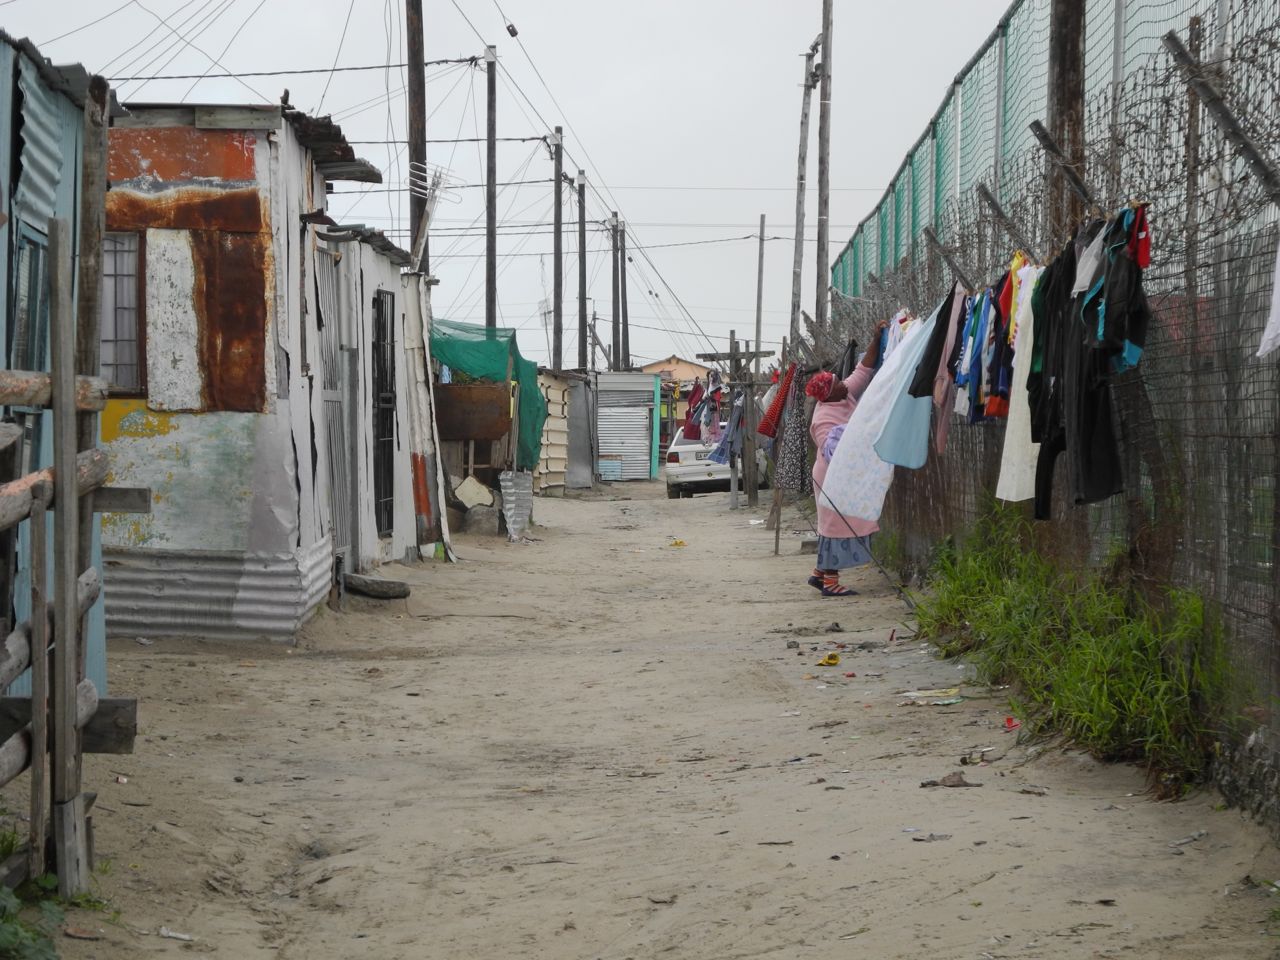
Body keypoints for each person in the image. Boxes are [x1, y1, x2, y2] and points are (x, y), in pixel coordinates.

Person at [806, 324, 887, 597]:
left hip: (842, 475)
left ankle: (819, 575)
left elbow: (862, 371)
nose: (843, 382)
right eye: (837, 382)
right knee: (835, 526)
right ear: (828, 393)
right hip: (831, 477)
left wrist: (876, 338)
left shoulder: (843, 394)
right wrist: (856, 432)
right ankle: (830, 583)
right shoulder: (822, 418)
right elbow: (831, 449)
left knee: (835, 524)